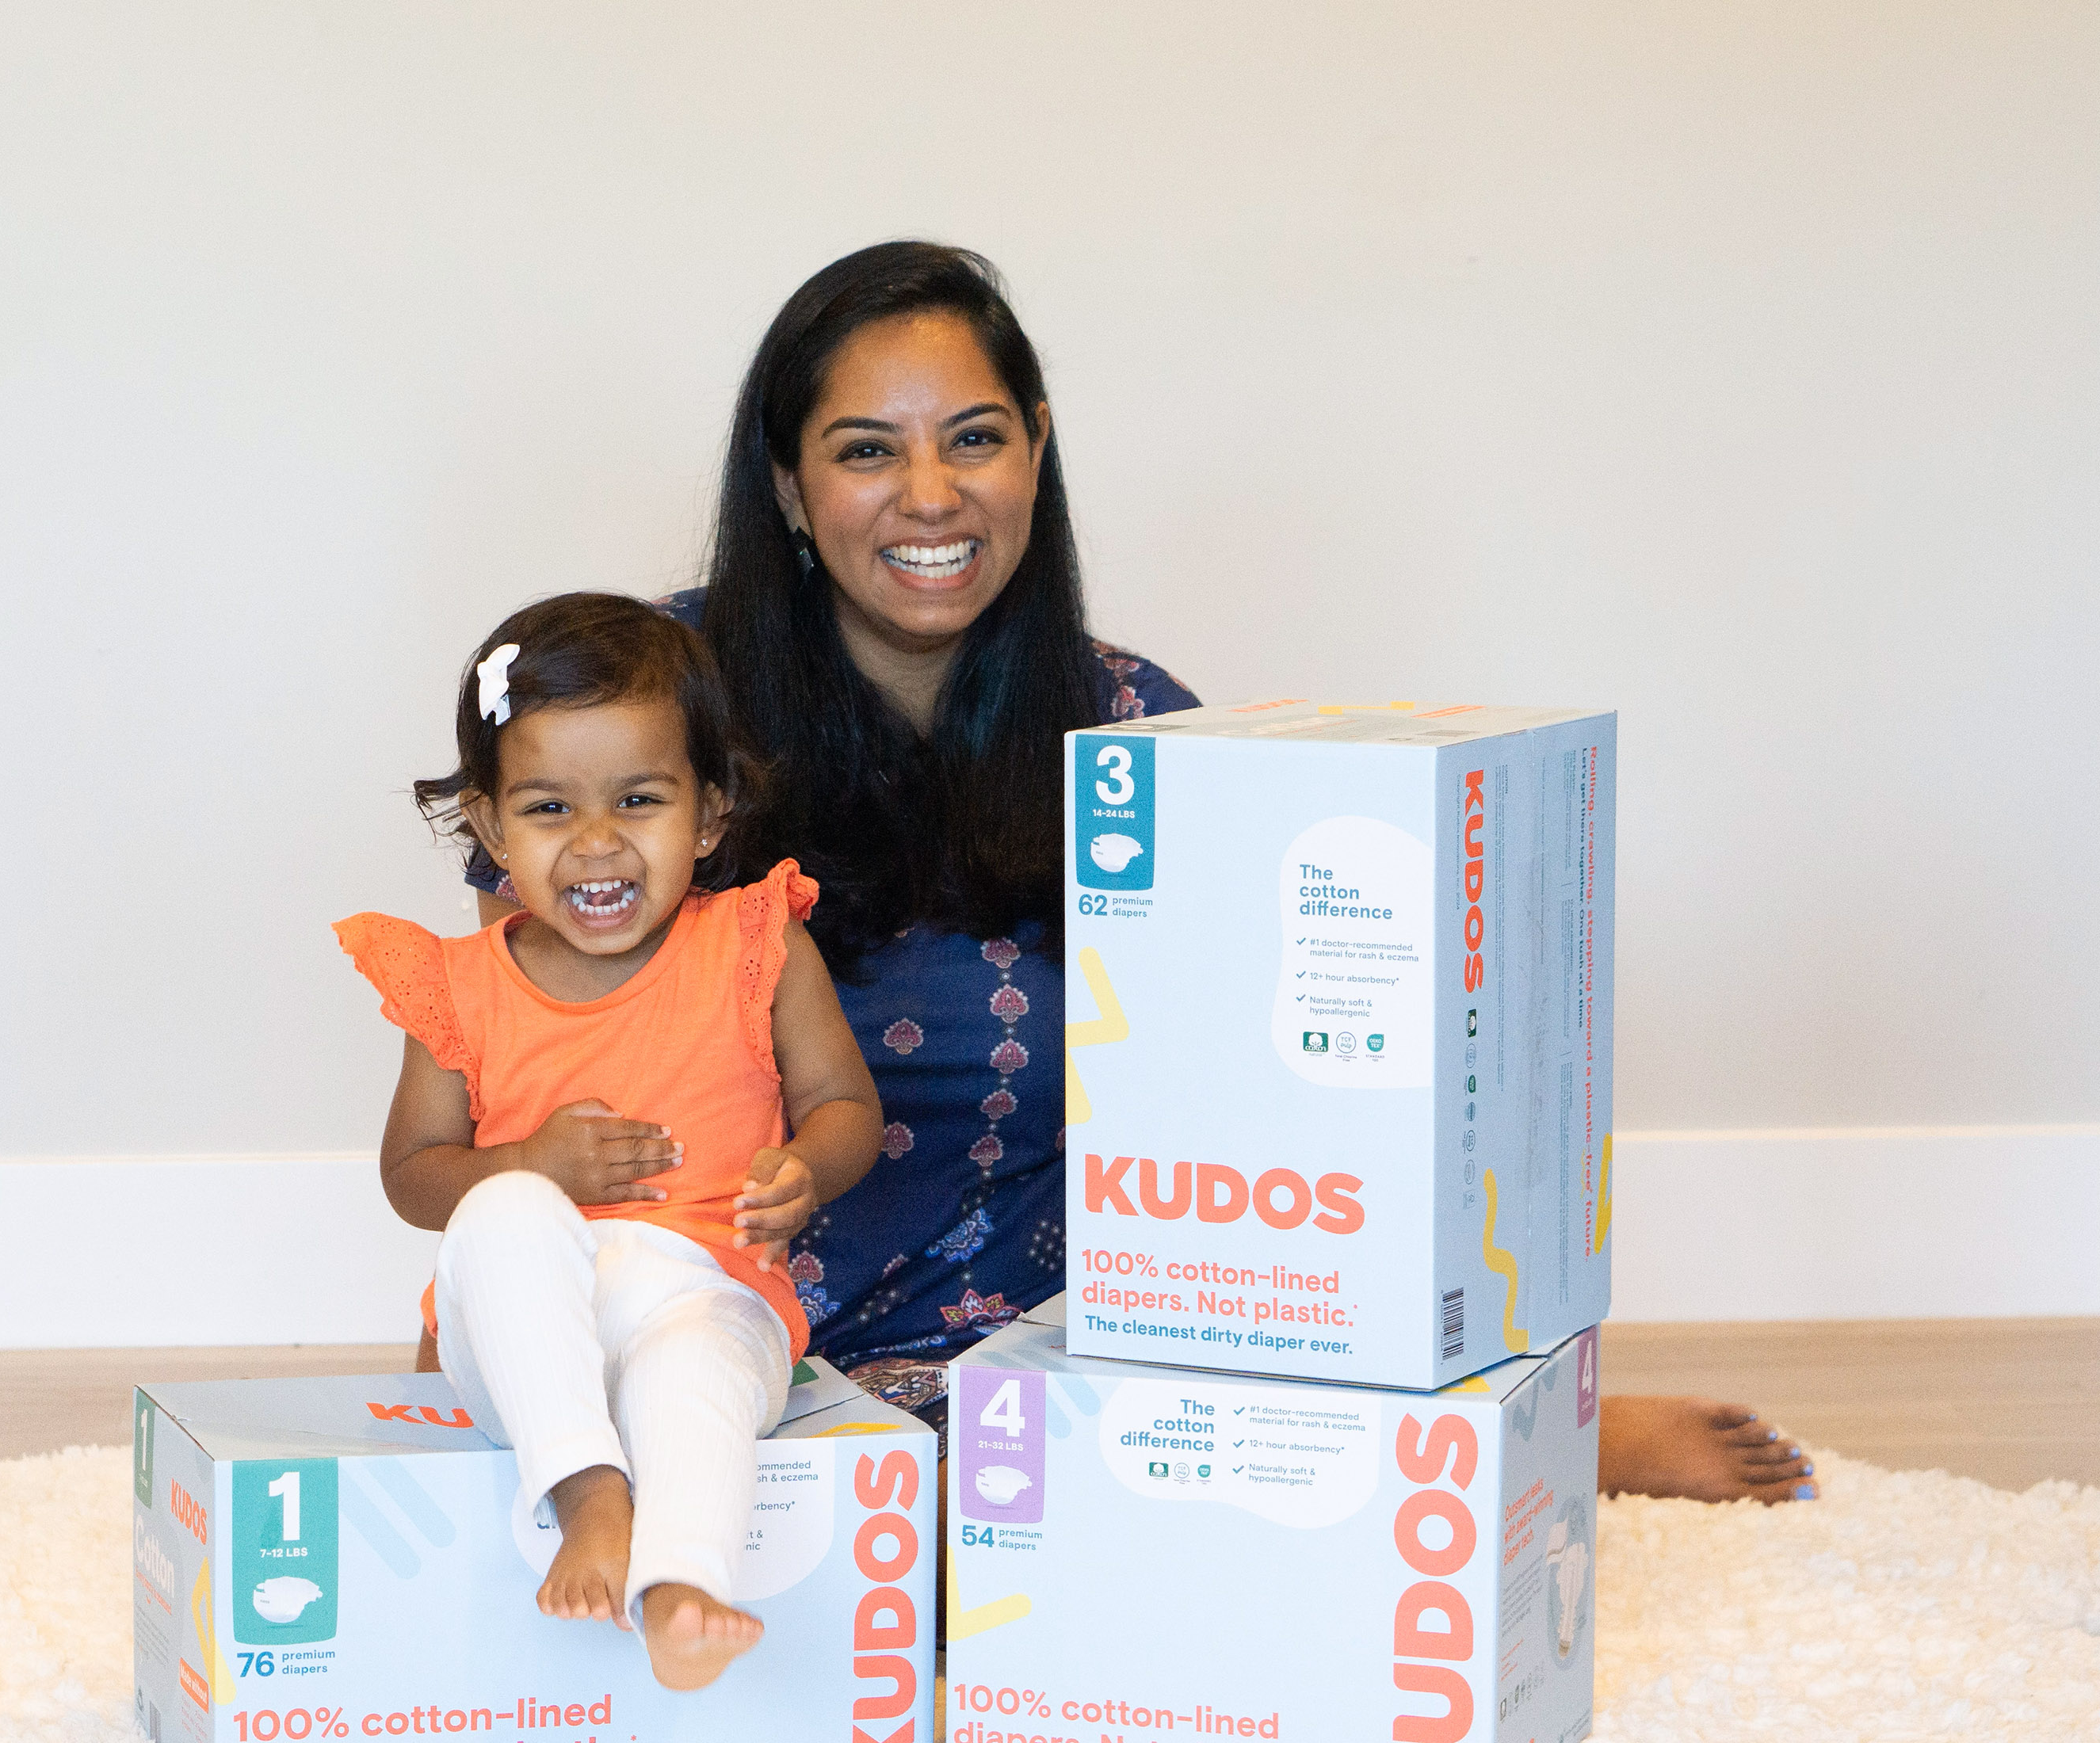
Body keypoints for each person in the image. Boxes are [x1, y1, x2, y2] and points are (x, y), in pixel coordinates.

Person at [460, 240, 1818, 1508]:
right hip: (719, 1303)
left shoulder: (1135, 727)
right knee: (687, 1494)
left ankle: (1513, 1439)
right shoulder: (647, 711)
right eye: (867, 450)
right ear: (786, 487)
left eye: (976, 439)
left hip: (1058, 1328)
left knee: (1187, 1470)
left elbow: (1248, 1096)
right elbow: (529, 1045)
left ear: (1035, 453)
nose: (930, 497)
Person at [338, 593, 883, 1689]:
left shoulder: (755, 946)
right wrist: (526, 1165)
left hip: (706, 1290)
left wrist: (804, 1170)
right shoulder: (459, 987)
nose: (598, 845)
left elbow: (847, 1107)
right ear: (491, 830)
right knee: (503, 1214)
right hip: (520, 1332)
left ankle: (683, 1586)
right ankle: (590, 1495)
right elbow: (413, 1176)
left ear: (711, 813)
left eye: (640, 800)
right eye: (549, 809)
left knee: (698, 1379)